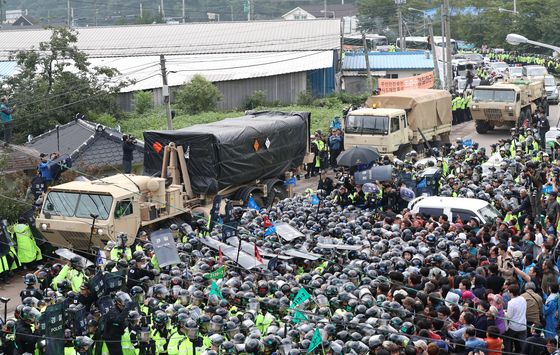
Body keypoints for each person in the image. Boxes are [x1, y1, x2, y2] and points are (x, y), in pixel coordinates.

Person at [504, 284, 527, 353]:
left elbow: (509, 316)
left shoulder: (511, 302)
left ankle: (508, 352)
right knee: (522, 345)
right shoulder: (523, 299)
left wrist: (504, 313)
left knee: (508, 340)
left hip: (513, 327)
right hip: (523, 326)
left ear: (511, 293)